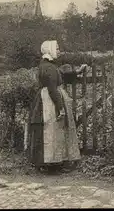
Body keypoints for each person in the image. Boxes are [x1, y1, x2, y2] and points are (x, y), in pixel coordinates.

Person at [27, 40, 83, 173]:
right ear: (50, 50)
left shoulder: (47, 65)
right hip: (49, 101)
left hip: (46, 98)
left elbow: (60, 76)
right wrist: (60, 107)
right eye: (57, 49)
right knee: (52, 129)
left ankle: (49, 163)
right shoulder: (49, 67)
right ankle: (52, 165)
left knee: (51, 131)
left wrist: (77, 72)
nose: (59, 51)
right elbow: (52, 88)